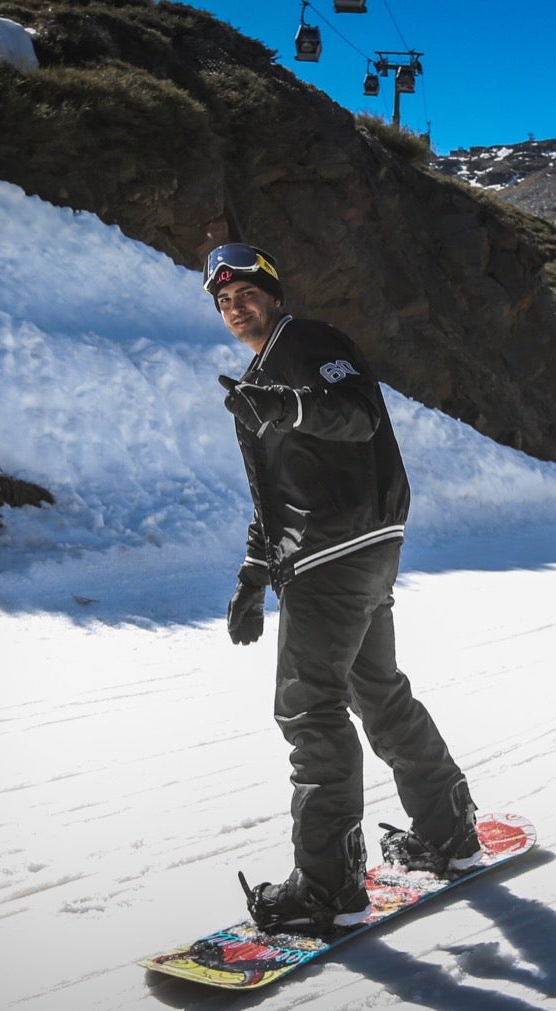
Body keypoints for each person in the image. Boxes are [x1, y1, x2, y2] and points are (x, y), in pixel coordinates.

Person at [204, 242, 479, 935]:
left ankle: (329, 887)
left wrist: (287, 408)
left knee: (309, 711)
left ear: (274, 292)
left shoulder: (310, 344)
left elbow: (357, 413)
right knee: (378, 692)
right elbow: (278, 496)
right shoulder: (262, 380)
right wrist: (250, 577)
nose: (238, 309)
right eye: (225, 302)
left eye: (248, 295)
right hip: (348, 552)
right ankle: (450, 834)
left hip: (339, 550)